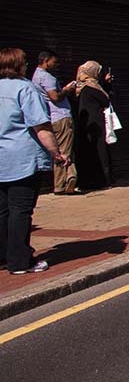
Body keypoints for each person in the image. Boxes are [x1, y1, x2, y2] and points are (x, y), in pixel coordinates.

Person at [1, 48, 69, 274]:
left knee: (2, 211)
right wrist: (56, 153)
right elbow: (40, 127)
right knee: (20, 210)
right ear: (19, 65)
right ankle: (20, 261)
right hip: (22, 159)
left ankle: (4, 256)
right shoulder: (25, 88)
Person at [32, 51, 78, 195]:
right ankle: (63, 182)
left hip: (51, 117)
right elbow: (55, 97)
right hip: (61, 116)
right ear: (46, 61)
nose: (56, 64)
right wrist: (66, 90)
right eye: (54, 61)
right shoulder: (47, 77)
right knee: (64, 150)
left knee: (59, 149)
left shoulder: (35, 77)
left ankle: (67, 178)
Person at [73, 61, 113, 190]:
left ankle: (85, 181)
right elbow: (105, 100)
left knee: (86, 152)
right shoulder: (91, 87)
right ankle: (101, 180)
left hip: (84, 124)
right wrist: (107, 85)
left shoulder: (80, 86)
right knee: (98, 151)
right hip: (95, 124)